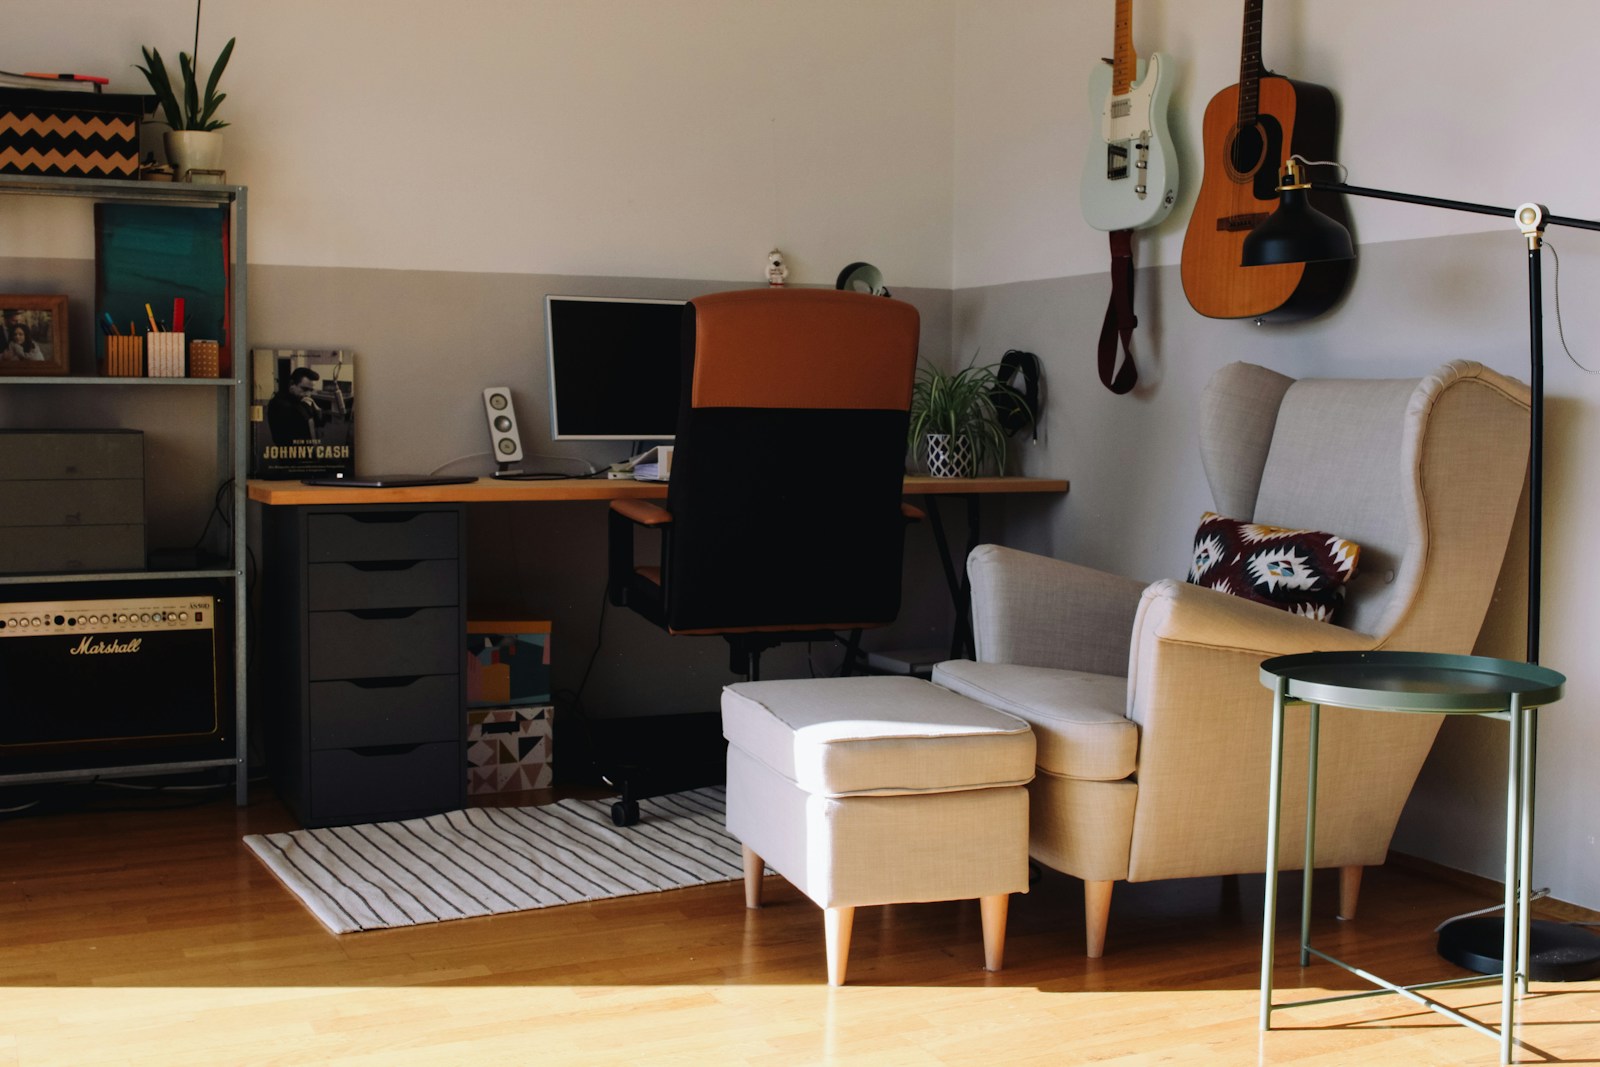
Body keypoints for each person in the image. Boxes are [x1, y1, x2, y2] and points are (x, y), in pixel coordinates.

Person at [266, 366, 327, 444]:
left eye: (311, 390)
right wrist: (308, 407)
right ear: (292, 384)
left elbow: (319, 423)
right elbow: (300, 420)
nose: (308, 394)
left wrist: (317, 409)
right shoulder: (278, 403)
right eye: (304, 389)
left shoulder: (301, 399)